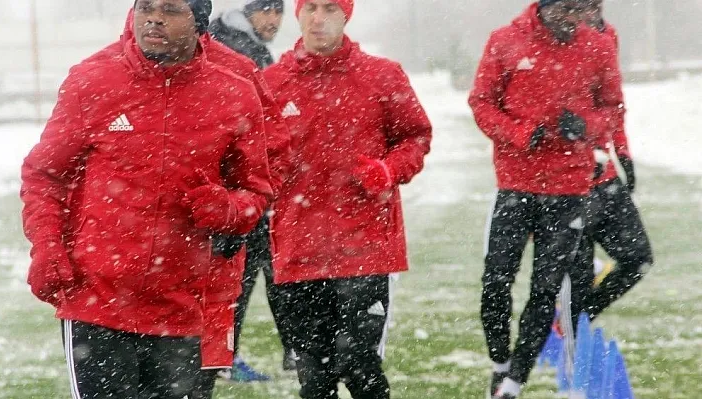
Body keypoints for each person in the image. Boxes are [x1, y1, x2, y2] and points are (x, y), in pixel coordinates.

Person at [19, 0, 274, 398]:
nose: (153, 18)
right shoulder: (93, 81)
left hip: (188, 306)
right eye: (146, 7)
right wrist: (48, 248)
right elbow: (45, 173)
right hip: (98, 300)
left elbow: (256, 191)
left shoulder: (234, 92)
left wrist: (226, 208)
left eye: (170, 10)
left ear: (199, 24)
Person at [263, 1, 432, 397]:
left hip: (365, 249)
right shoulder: (271, 84)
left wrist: (388, 170)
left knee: (361, 368)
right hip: (298, 250)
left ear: (346, 16)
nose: (317, 19)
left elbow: (415, 136)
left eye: (329, 9)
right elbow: (251, 158)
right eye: (309, 9)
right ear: (298, 14)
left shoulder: (381, 76)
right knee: (314, 380)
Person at [468, 0, 625, 397]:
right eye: (568, 10)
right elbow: (482, 103)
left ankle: (515, 381)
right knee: (495, 282)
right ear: (546, 6)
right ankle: (500, 362)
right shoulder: (505, 41)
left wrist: (587, 126)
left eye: (583, 11)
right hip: (515, 186)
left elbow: (613, 108)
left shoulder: (597, 47)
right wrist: (519, 133)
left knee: (545, 289)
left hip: (568, 189)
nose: (575, 19)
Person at [210, 0, 298, 380]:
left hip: (246, 189)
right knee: (244, 276)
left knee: (266, 271)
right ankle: (224, 358)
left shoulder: (243, 43)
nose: (273, 20)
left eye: (278, 12)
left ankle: (234, 357)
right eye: (266, 10)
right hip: (237, 191)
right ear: (247, 11)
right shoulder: (234, 46)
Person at [566, 0, 654, 325]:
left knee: (638, 258)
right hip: (565, 185)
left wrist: (623, 153)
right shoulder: (552, 38)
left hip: (602, 177)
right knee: (574, 276)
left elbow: (611, 104)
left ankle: (576, 320)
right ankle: (570, 328)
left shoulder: (606, 35)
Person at [210, 0, 284, 68]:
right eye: (266, 12)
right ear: (250, 12)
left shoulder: (260, 50)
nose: (273, 21)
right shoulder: (235, 49)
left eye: (278, 12)